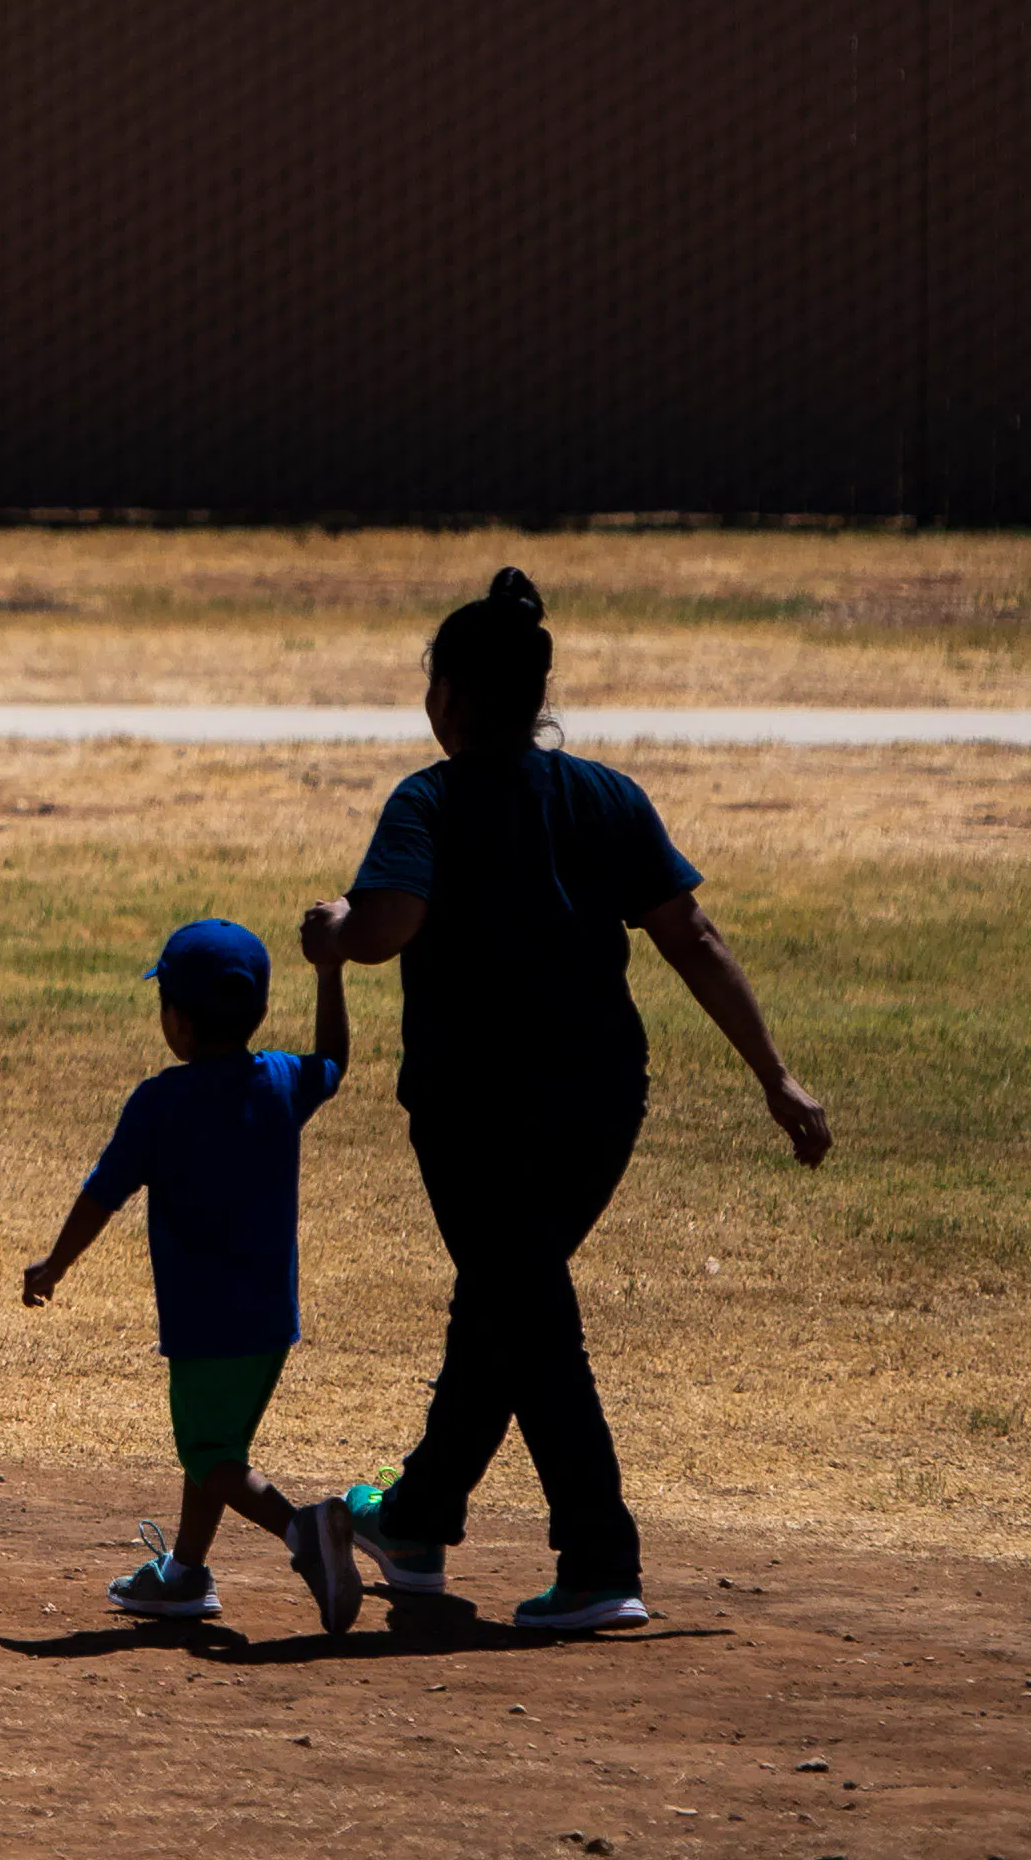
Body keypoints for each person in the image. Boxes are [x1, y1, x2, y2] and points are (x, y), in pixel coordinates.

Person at [295, 568, 835, 1637]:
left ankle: (596, 1557)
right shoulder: (601, 796)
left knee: (526, 1316)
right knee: (505, 1302)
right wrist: (772, 1074)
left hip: (475, 1109)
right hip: (598, 1101)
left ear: (446, 696)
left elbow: (391, 918)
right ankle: (413, 1517)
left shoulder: (429, 798)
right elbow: (691, 937)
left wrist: (332, 933)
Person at [15, 914, 357, 1632]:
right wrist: (330, 973)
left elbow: (102, 1193)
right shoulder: (282, 1080)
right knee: (215, 1445)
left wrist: (54, 1264)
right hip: (270, 1317)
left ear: (177, 1021)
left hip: (205, 1321)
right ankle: (185, 1574)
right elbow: (333, 1058)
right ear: (260, 1010)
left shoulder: (160, 1103)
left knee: (209, 1451)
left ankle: (305, 1534)